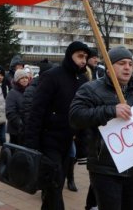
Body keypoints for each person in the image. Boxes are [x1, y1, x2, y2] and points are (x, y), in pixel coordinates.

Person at [69, 46, 133, 210]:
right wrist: (111, 111)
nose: (128, 67)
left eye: (130, 63)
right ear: (109, 67)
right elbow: (75, 116)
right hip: (104, 169)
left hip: (132, 169)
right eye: (122, 63)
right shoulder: (91, 89)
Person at [24, 41, 92, 210]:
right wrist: (31, 146)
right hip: (48, 142)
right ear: (70, 56)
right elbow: (36, 112)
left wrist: (83, 146)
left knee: (55, 186)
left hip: (67, 143)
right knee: (54, 187)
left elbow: (82, 114)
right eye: (80, 56)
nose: (83, 60)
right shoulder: (52, 76)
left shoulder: (83, 80)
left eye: (86, 57)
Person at [5, 69, 29, 145]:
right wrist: (21, 124)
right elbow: (10, 112)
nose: (25, 80)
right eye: (22, 78)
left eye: (26, 78)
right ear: (17, 80)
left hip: (27, 130)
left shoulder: (29, 91)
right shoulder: (12, 93)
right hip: (16, 131)